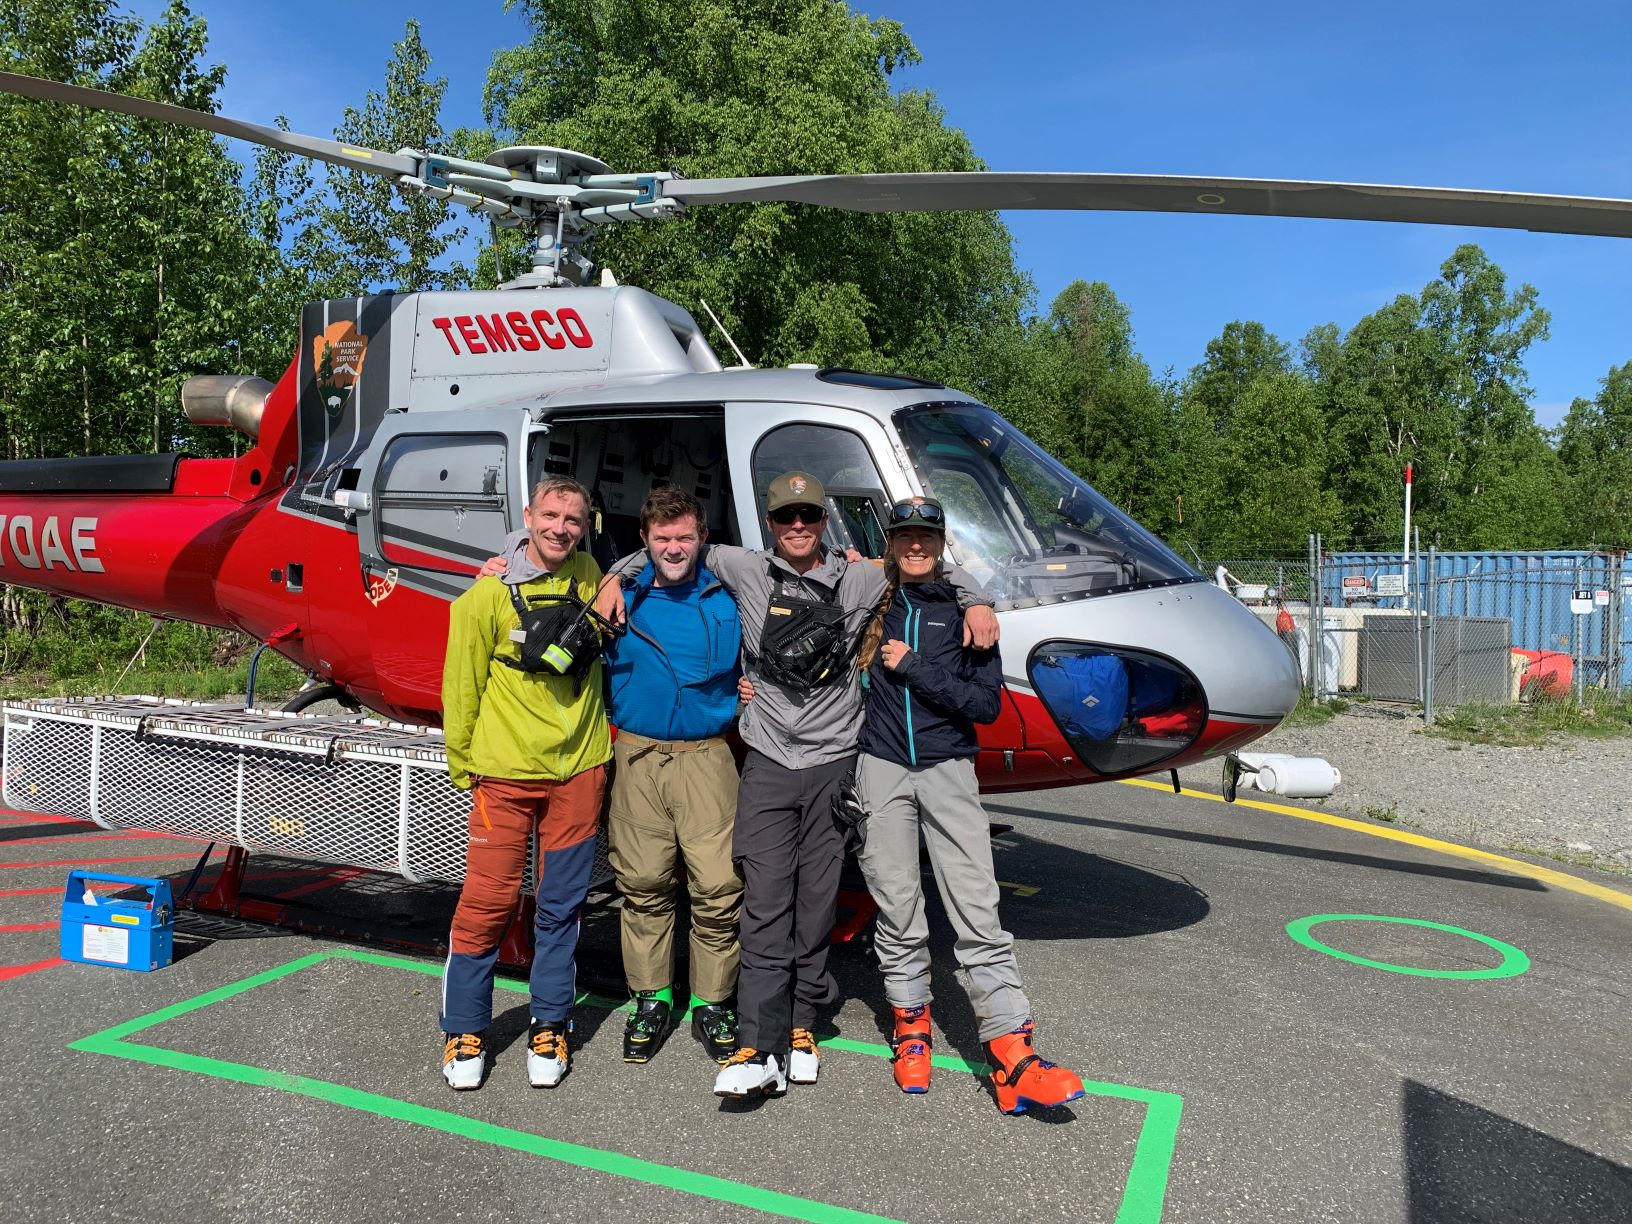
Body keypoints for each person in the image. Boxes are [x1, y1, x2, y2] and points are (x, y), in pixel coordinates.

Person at [604, 472, 999, 1101]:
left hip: (833, 761)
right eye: (786, 517)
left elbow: (924, 564)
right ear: (769, 523)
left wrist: (979, 599)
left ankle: (801, 1026)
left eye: (808, 517)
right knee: (763, 899)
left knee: (816, 904)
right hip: (766, 759)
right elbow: (660, 547)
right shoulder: (744, 567)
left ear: (822, 522)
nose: (797, 527)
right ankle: (757, 1044)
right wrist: (610, 581)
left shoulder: (861, 578)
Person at [852, 497, 1084, 1114]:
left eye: (926, 536)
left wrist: (918, 668)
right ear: (892, 542)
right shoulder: (868, 598)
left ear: (940, 540)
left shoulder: (967, 613)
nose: (916, 546)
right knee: (896, 905)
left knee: (977, 908)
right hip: (879, 769)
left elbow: (984, 707)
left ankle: (1012, 1052)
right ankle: (911, 1029)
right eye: (905, 536)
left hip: (948, 768)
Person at [438, 476, 612, 1092]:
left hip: (580, 769)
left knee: (562, 909)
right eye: (551, 515)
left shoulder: (593, 574)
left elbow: (647, 566)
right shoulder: (485, 596)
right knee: (487, 904)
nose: (561, 527)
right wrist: (464, 766)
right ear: (528, 516)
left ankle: (550, 1022)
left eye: (573, 517)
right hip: (505, 773)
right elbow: (460, 688)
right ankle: (465, 1027)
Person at [601, 486, 744, 1065]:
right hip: (637, 757)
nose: (675, 547)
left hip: (707, 758)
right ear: (644, 540)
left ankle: (711, 1003)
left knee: (717, 888)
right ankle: (651, 999)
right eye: (662, 538)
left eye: (685, 536)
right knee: (642, 885)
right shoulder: (619, 592)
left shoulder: (730, 593)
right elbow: (532, 555)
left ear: (703, 537)